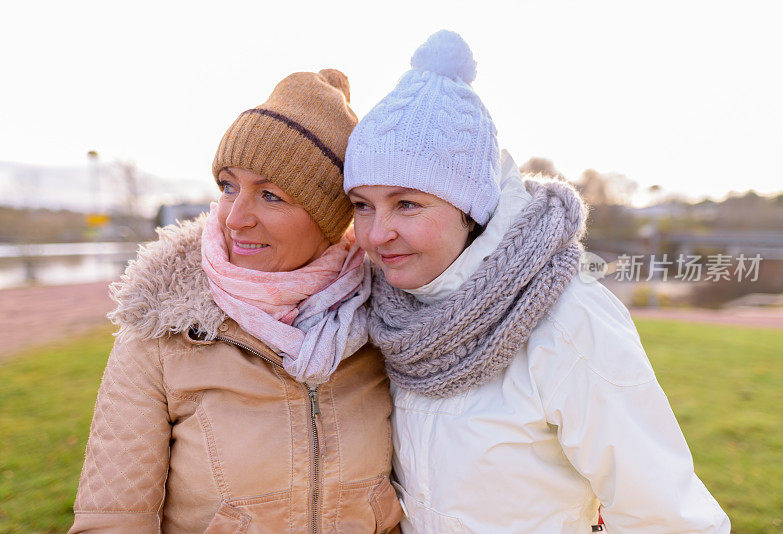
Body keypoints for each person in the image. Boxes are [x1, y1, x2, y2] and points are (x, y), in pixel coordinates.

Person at [343, 30, 731, 533]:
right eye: (362, 206)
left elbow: (665, 514)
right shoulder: (385, 312)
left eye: (407, 203)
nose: (377, 234)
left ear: (471, 207)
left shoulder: (567, 315)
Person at [69, 69, 402, 533]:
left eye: (270, 195)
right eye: (228, 187)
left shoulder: (386, 325)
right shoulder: (162, 332)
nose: (235, 217)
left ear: (329, 220)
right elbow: (113, 520)